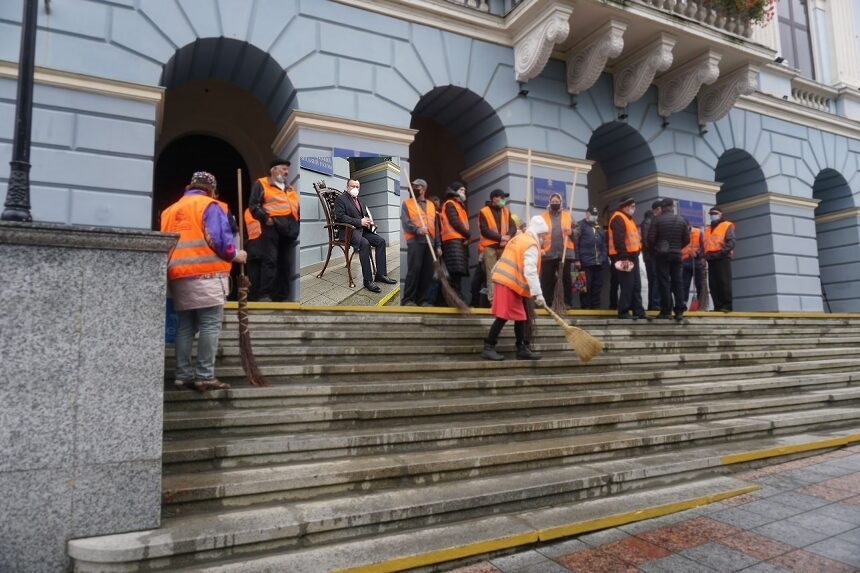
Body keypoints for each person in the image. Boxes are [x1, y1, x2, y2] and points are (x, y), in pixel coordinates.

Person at [161, 171, 247, 392]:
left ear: (191, 186)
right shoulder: (210, 206)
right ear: (212, 189)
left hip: (177, 275)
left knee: (186, 326)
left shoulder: (170, 210)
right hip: (206, 274)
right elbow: (218, 240)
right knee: (209, 324)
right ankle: (205, 376)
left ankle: (182, 376)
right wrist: (235, 254)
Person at [481, 215, 548, 361]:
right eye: (543, 234)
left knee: (520, 316)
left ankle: (521, 348)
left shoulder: (518, 239)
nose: (543, 238)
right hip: (508, 282)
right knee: (503, 316)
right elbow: (530, 271)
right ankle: (489, 347)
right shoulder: (531, 244)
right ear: (538, 233)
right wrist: (538, 294)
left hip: (505, 280)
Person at [248, 158, 299, 302]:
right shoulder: (261, 183)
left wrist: (296, 224)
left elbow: (296, 208)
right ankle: (265, 295)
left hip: (289, 229)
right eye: (283, 168)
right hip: (272, 226)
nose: (286, 172)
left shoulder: (290, 188)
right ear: (273, 170)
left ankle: (282, 296)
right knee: (270, 260)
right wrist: (266, 218)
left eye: (287, 169)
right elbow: (253, 205)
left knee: (285, 263)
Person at [334, 179, 396, 293]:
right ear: (347, 187)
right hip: (349, 232)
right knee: (365, 244)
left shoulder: (361, 201)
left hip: (362, 230)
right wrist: (359, 221)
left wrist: (368, 221)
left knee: (381, 241)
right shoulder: (341, 199)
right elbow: (340, 217)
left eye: (357, 187)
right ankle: (367, 280)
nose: (355, 188)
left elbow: (365, 215)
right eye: (352, 186)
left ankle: (380, 275)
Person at [648, 198, 690, 321]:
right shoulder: (681, 220)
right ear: (672, 207)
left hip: (662, 255)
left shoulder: (657, 220)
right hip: (677, 255)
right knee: (678, 282)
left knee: (664, 282)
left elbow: (650, 239)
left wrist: (657, 248)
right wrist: (677, 247)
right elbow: (687, 239)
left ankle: (666, 311)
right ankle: (679, 311)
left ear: (662, 207)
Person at [609, 197, 650, 320]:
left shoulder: (628, 218)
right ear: (625, 206)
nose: (634, 208)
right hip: (624, 257)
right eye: (632, 206)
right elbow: (619, 240)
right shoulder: (618, 218)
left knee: (636, 285)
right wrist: (624, 258)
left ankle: (639, 311)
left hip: (632, 256)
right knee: (627, 285)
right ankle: (623, 311)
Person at [401, 178, 439, 306]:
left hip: (430, 242)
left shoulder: (431, 205)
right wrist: (418, 230)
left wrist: (438, 245)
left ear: (423, 189)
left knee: (427, 272)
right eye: (413, 186)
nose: (414, 188)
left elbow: (436, 226)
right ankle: (408, 299)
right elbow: (406, 223)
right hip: (415, 241)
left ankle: (423, 300)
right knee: (414, 270)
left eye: (417, 186)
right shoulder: (407, 204)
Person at [538, 193, 575, 308]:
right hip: (548, 253)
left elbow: (578, 230)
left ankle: (567, 302)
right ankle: (547, 303)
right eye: (553, 202)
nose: (555, 203)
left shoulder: (568, 216)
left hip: (564, 253)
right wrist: (540, 248)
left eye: (557, 202)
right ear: (549, 203)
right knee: (547, 279)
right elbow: (537, 234)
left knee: (565, 279)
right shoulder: (542, 217)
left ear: (560, 202)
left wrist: (572, 232)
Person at [479, 189, 515, 303]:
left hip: (503, 247)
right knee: (492, 274)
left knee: (504, 274)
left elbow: (513, 226)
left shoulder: (506, 211)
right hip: (490, 247)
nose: (504, 200)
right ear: (494, 199)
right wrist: (501, 238)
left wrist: (508, 236)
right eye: (502, 198)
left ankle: (504, 300)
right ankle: (493, 301)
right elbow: (484, 230)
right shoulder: (484, 211)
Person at [440, 181, 470, 302]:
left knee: (457, 272)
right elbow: (455, 222)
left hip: (458, 241)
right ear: (455, 191)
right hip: (452, 241)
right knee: (454, 272)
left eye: (464, 191)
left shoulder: (459, 205)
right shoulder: (450, 204)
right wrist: (468, 234)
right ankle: (454, 297)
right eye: (461, 190)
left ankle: (457, 296)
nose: (463, 193)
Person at [573, 206, 608, 309]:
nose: (594, 216)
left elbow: (603, 245)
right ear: (587, 214)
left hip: (598, 262)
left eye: (596, 214)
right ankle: (585, 307)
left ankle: (596, 307)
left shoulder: (599, 227)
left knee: (597, 286)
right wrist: (577, 259)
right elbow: (575, 243)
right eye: (592, 214)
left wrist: (604, 258)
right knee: (583, 287)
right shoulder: (579, 225)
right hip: (584, 262)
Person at [704, 207, 736, 312]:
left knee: (724, 282)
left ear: (720, 214)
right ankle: (717, 306)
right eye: (711, 214)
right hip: (711, 259)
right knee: (713, 284)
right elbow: (705, 244)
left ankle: (726, 306)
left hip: (722, 258)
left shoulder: (726, 225)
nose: (712, 215)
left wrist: (721, 253)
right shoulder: (708, 229)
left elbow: (731, 242)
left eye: (715, 213)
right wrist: (705, 255)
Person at [640, 199, 663, 311]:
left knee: (653, 280)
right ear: (657, 209)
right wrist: (656, 251)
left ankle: (652, 304)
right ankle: (655, 304)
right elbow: (647, 241)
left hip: (650, 255)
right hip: (651, 256)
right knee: (655, 279)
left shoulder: (650, 221)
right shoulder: (649, 222)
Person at [682, 223, 705, 307]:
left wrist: (697, 254)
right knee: (684, 285)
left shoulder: (698, 232)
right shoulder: (681, 234)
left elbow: (704, 247)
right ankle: (683, 304)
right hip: (685, 263)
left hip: (697, 263)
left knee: (700, 285)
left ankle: (701, 304)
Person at [243, 208, 262, 301]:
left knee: (253, 280)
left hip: (252, 248)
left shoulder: (247, 211)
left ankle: (254, 300)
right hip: (262, 249)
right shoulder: (268, 209)